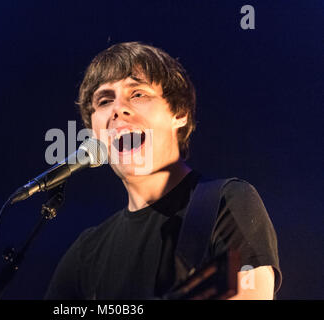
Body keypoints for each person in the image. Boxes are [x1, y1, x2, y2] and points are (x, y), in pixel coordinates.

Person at [44, 42, 282, 300]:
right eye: (104, 100)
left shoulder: (223, 202)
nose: (117, 109)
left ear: (179, 112)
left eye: (137, 94)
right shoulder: (86, 253)